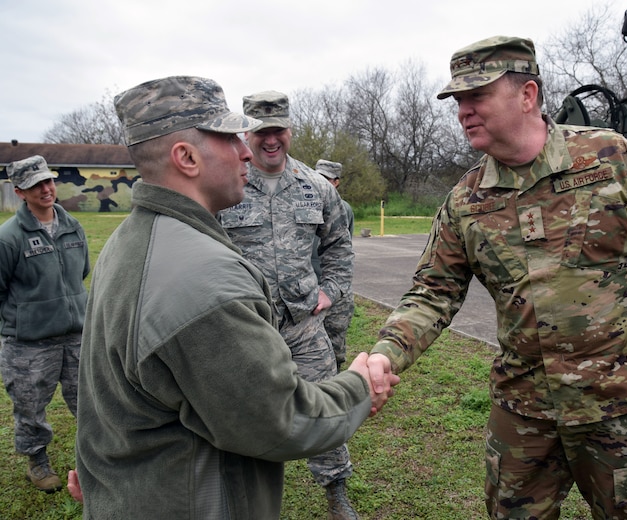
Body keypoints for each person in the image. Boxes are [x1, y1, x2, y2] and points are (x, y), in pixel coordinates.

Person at [366, 35, 627, 519]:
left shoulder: (610, 158)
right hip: (523, 410)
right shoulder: (466, 200)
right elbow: (432, 292)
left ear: (527, 95)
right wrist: (387, 354)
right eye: (458, 100)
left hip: (618, 404)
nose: (464, 110)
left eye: (477, 96)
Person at [75, 76, 397, 519]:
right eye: (231, 138)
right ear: (186, 158)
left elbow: (103, 385)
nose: (246, 150)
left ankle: (335, 486)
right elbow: (279, 419)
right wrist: (362, 387)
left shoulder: (129, 243)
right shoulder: (204, 284)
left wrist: (93, 462)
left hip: (293, 327)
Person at [218, 91, 358, 520]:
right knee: (242, 412)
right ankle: (244, 495)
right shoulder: (228, 186)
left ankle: (335, 489)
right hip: (247, 327)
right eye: (261, 132)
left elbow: (338, 245)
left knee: (325, 409)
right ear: (248, 133)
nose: (270, 140)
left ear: (290, 130)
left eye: (277, 129)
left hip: (304, 324)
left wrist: (329, 290)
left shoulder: (315, 187)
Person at [0, 155, 89, 493]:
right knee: (30, 407)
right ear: (20, 191)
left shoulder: (73, 227)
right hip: (29, 343)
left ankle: (95, 456)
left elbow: (80, 274)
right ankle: (38, 463)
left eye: (49, 181)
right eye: (36, 184)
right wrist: (23, 318)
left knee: (89, 401)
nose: (46, 189)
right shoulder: (8, 237)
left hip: (76, 335)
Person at [312, 159, 355, 371]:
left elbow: (342, 250)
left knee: (335, 340)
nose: (320, 182)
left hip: (334, 287)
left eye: (326, 179)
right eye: (317, 176)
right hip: (308, 285)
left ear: (336, 182)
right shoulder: (304, 202)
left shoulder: (343, 209)